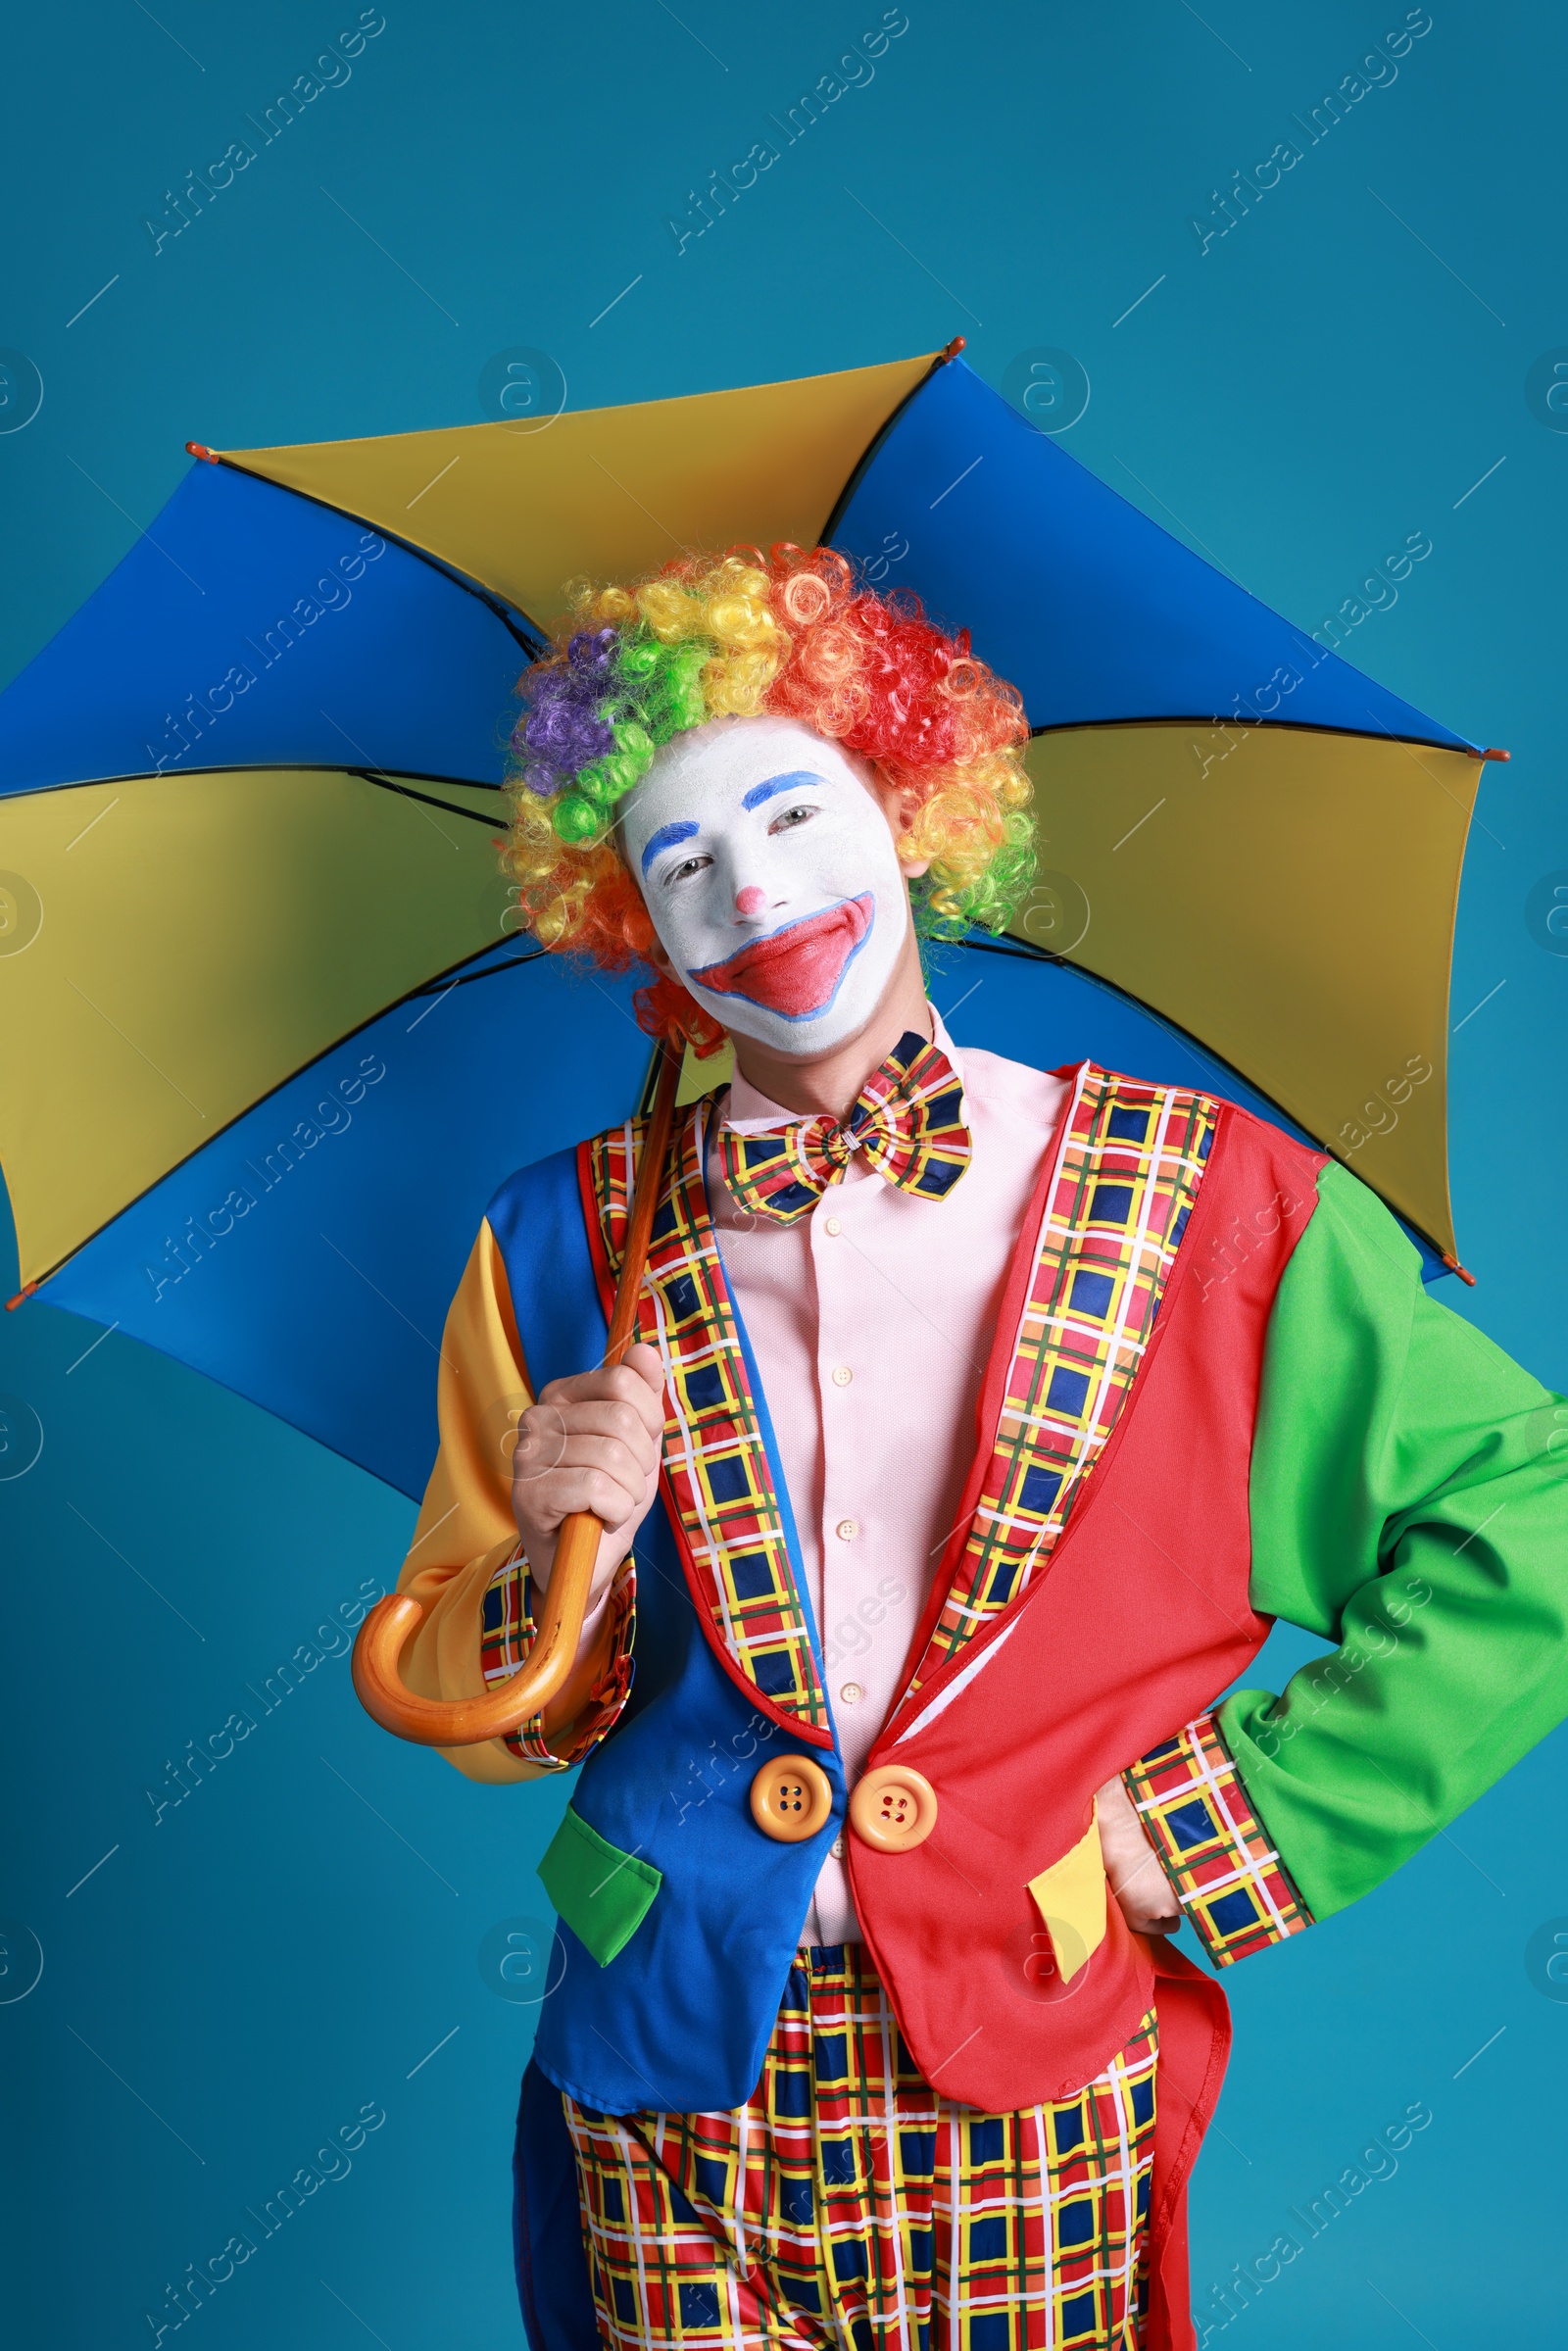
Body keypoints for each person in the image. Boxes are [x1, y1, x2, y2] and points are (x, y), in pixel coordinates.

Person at [391, 546, 1567, 2351]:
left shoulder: (1211, 1204)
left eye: (792, 809)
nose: (751, 887)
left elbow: (1531, 1513)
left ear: (918, 803)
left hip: (1030, 2058)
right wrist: (571, 1533)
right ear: (627, 923)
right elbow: (490, 1700)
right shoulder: (558, 1244)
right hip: (665, 2062)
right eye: (678, 859)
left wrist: (1216, 1829)